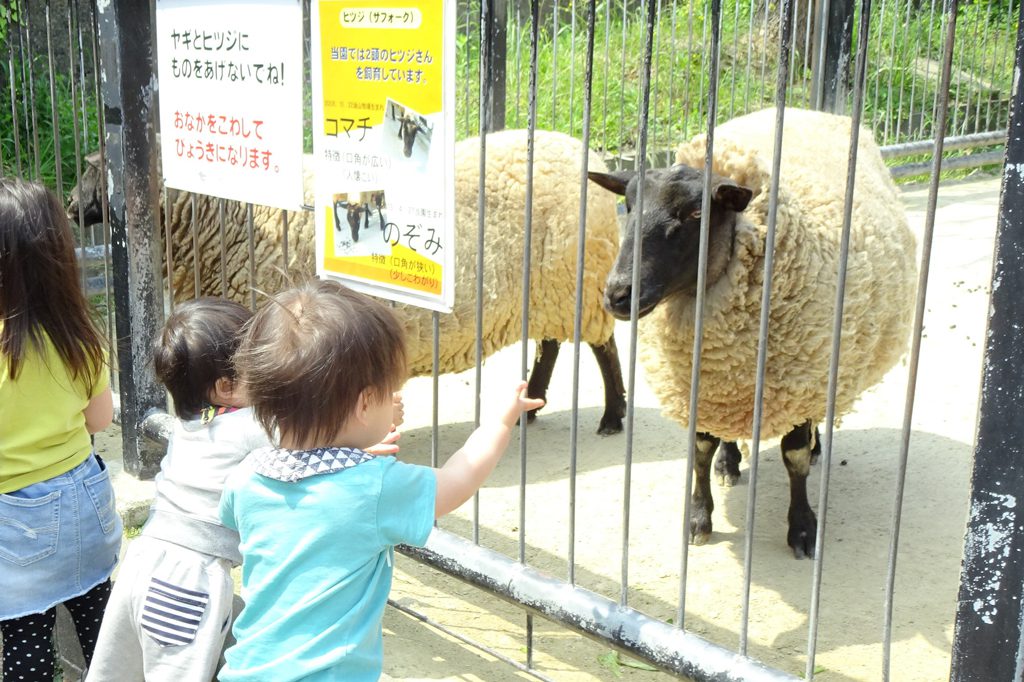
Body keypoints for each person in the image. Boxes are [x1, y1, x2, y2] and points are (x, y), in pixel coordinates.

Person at [218, 279, 543, 682]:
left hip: (248, 669)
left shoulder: (247, 474)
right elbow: (459, 479)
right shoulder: (375, 486)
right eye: (391, 391)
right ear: (365, 402)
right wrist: (498, 422)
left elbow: (302, 495)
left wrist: (353, 461)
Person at [86, 296, 404, 682]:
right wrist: (368, 435)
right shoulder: (253, 426)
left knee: (118, 672)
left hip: (143, 560)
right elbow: (316, 450)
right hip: (191, 579)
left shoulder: (190, 424)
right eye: (263, 366)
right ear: (226, 387)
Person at [0, 177, 119, 682]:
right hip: (87, 501)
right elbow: (100, 420)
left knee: (24, 634)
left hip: (16, 520)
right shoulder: (78, 334)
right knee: (105, 631)